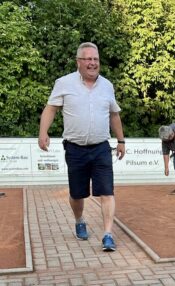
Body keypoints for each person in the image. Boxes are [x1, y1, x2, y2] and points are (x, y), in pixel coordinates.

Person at [38, 42, 125, 251]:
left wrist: (121, 140)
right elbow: (51, 109)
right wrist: (43, 132)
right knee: (77, 194)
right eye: (88, 59)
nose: (93, 63)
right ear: (79, 62)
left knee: (107, 191)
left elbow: (114, 115)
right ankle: (79, 221)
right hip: (75, 149)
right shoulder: (64, 83)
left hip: (101, 148)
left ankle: (107, 234)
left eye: (96, 59)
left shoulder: (107, 86)